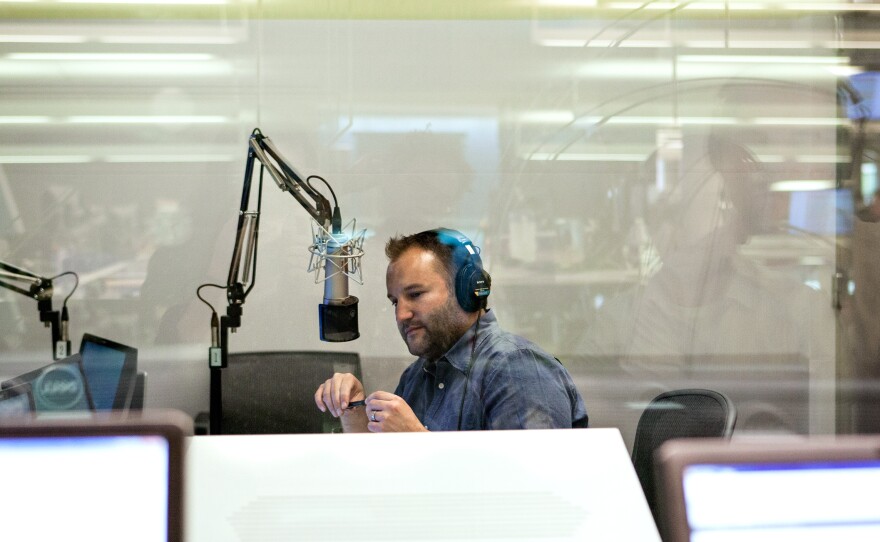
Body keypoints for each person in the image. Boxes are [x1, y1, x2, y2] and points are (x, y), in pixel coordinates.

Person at [314, 228, 588, 432]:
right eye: (395, 301)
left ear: (467, 290)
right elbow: (391, 476)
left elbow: (534, 489)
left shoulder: (518, 370)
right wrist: (353, 410)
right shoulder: (417, 376)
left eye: (416, 294)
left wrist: (419, 441)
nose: (401, 314)